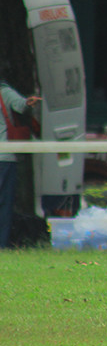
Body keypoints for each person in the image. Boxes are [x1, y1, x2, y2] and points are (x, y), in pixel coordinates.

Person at [0, 77, 40, 248]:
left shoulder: (3, 91)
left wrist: (28, 103)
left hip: (4, 157)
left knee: (4, 206)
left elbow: (20, 104)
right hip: (5, 159)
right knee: (4, 206)